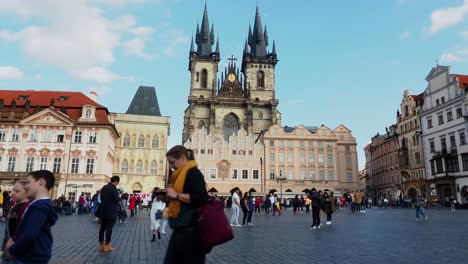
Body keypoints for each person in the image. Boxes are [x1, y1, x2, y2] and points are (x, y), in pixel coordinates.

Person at [163, 145, 209, 264]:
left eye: (172, 162)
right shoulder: (178, 175)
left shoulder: (193, 173)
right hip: (180, 230)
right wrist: (167, 198)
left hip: (192, 233)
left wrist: (176, 195)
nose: (171, 166)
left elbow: (201, 198)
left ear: (183, 158)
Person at [6, 170, 58, 263]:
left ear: (41, 182)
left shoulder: (39, 207)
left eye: (29, 182)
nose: (26, 186)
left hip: (30, 257)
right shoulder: (39, 204)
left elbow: (29, 235)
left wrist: (12, 250)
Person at [1, 180, 31, 263]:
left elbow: (26, 232)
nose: (13, 193)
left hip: (17, 253)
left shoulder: (27, 208)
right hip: (8, 250)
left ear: (27, 193)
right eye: (13, 190)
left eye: (17, 191)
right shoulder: (15, 207)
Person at [97, 175, 120, 252]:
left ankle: (101, 245)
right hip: (111, 212)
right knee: (109, 229)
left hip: (103, 211)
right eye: (117, 183)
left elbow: (101, 198)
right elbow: (116, 200)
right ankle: (107, 245)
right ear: (116, 181)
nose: (117, 184)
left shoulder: (104, 187)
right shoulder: (114, 189)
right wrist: (119, 197)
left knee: (102, 228)